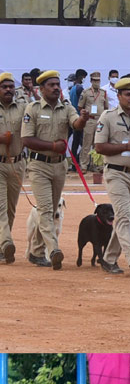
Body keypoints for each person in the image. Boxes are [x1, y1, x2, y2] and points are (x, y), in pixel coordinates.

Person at [22, 70, 93, 269]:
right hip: (38, 165)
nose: (55, 87)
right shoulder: (32, 108)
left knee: (51, 209)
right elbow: (26, 139)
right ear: (41, 88)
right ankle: (53, 249)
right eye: (51, 85)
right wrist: (52, 146)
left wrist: (84, 119)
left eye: (57, 84)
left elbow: (76, 124)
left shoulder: (66, 107)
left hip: (60, 166)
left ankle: (36, 253)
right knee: (45, 209)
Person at [95, 76, 130, 277]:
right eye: (128, 94)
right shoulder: (107, 117)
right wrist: (125, 146)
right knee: (124, 218)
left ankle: (109, 259)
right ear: (118, 96)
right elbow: (99, 147)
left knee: (123, 219)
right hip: (116, 173)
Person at [0, 72, 24, 265]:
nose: (9, 90)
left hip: (18, 163)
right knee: (0, 208)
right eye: (4, 87)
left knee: (11, 209)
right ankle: (6, 243)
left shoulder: (23, 107)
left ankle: (2, 247)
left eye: (10, 87)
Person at [78, 71, 108, 168]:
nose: (97, 82)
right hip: (89, 120)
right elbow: (80, 106)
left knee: (98, 143)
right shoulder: (86, 92)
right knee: (87, 143)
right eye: (95, 80)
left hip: (100, 120)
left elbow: (106, 107)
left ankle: (96, 165)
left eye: (98, 80)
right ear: (91, 81)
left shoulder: (103, 93)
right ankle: (84, 165)